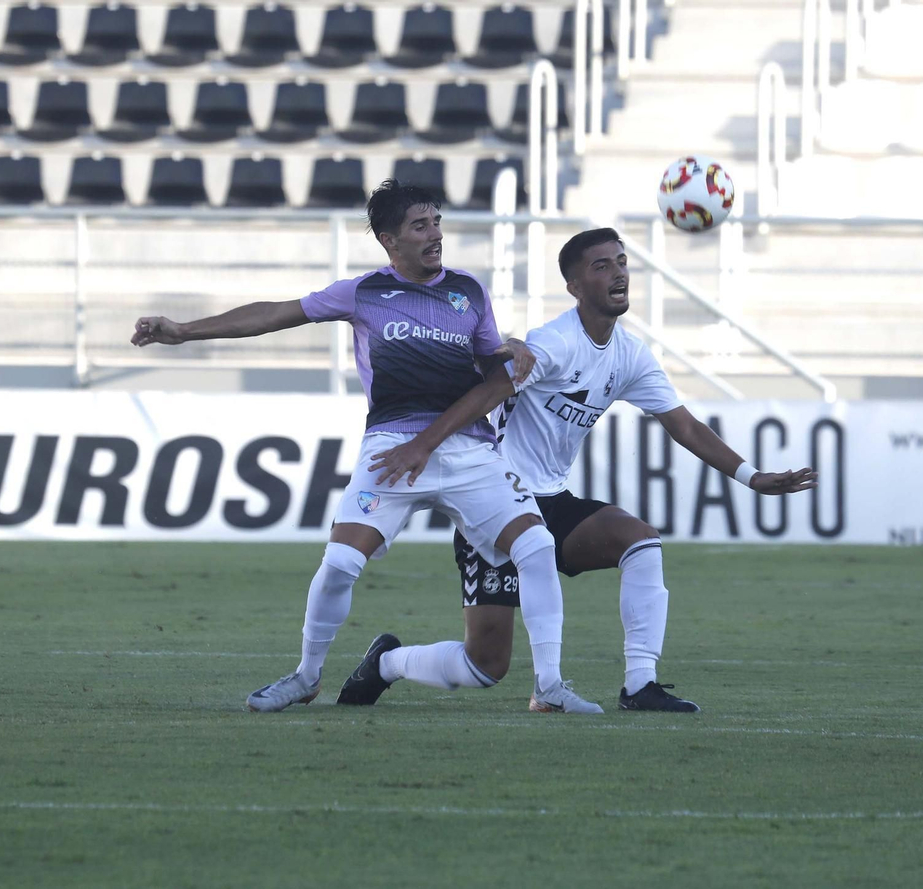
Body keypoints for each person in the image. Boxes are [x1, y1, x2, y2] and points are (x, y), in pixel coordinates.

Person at [130, 179, 603, 716]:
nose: (435, 235)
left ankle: (550, 687)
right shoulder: (364, 293)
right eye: (420, 226)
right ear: (388, 240)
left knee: (536, 547)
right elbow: (273, 314)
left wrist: (508, 349)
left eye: (437, 222)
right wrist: (184, 331)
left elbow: (495, 379)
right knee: (337, 564)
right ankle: (306, 676)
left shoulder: (468, 291)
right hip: (392, 447)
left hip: (467, 449)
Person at [333, 228, 817, 713]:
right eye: (601, 265)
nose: (618, 272)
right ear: (573, 285)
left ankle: (639, 685)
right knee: (484, 666)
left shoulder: (631, 356)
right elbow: (487, 388)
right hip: (495, 503)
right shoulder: (555, 344)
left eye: (622, 262)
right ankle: (388, 664)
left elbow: (684, 426)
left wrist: (752, 477)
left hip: (553, 502)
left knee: (641, 541)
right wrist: (428, 438)